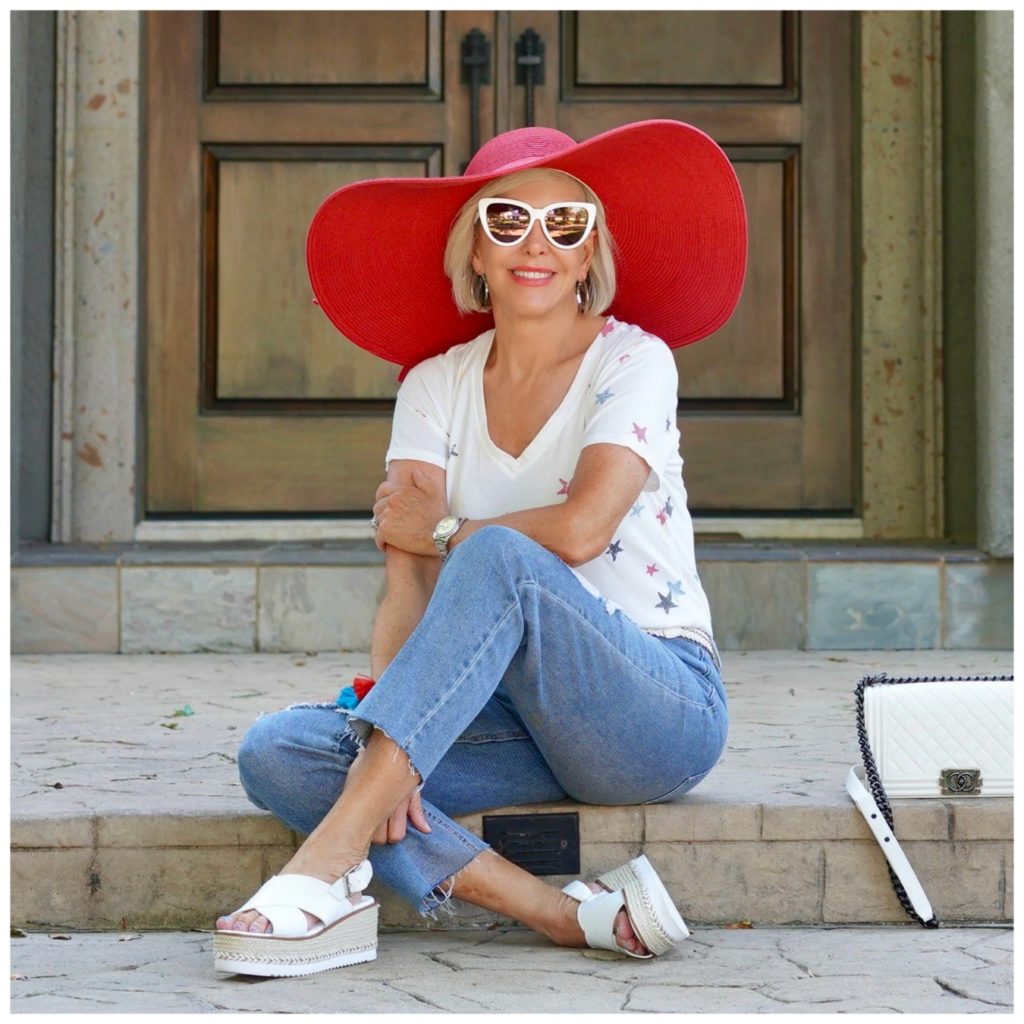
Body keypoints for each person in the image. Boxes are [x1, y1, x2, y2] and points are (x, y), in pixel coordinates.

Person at [213, 120, 747, 978]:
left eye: (565, 226)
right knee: (278, 750)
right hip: (505, 719)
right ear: (475, 253)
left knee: (496, 557)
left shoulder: (634, 361)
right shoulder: (433, 387)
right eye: (508, 222)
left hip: (655, 705)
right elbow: (408, 583)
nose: (536, 245)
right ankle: (558, 913)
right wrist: (399, 740)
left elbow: (580, 531)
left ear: (588, 257)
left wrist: (448, 530)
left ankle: (320, 873)